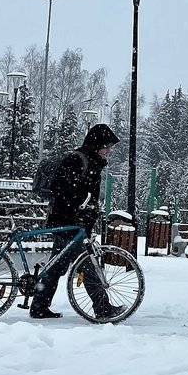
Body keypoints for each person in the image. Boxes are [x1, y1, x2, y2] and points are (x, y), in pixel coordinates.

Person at [29, 123, 124, 320]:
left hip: (72, 223)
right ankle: (103, 308)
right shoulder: (78, 160)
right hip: (67, 222)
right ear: (96, 144)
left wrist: (87, 210)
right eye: (106, 146)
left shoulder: (92, 162)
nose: (108, 151)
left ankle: (39, 307)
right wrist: (80, 207)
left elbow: (85, 194)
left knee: (56, 267)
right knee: (87, 265)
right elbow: (63, 190)